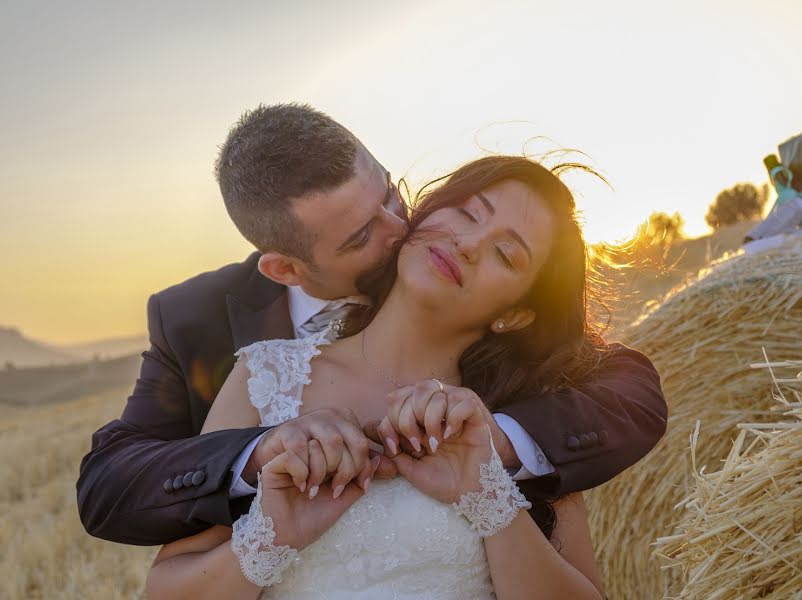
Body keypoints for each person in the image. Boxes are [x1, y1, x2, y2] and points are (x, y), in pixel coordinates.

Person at [77, 104, 666, 549]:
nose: (397, 230)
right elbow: (108, 486)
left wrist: (495, 442)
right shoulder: (194, 320)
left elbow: (631, 393)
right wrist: (259, 455)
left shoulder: (460, 290)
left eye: (391, 195)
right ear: (287, 267)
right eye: (360, 236)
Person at [147, 155, 619, 599]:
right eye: (469, 214)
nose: (469, 245)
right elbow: (163, 590)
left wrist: (487, 496)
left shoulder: (525, 415)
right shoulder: (266, 375)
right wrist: (270, 539)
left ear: (515, 314)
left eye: (505, 254)